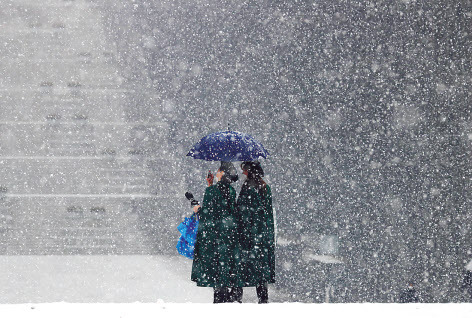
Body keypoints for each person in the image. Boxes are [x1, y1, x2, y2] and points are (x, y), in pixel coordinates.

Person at [190, 161, 241, 303]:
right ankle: (229, 297)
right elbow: (223, 206)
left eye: (218, 170)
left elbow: (207, 214)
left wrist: (197, 209)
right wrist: (210, 185)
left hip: (214, 236)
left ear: (223, 173)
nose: (216, 172)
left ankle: (220, 300)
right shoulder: (231, 191)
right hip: (228, 235)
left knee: (216, 268)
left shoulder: (211, 192)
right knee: (225, 267)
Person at [234, 161, 275, 303]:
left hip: (247, 236)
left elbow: (242, 211)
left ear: (250, 171)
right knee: (260, 271)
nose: (243, 172)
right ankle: (263, 300)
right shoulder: (265, 187)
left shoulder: (249, 187)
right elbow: (267, 213)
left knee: (240, 268)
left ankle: (236, 300)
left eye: (244, 170)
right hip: (261, 236)